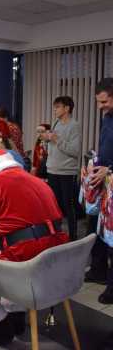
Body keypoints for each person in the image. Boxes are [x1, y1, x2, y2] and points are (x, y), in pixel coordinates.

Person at [0, 149, 69, 346]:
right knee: (9, 250)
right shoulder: (38, 182)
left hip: (23, 262)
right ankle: (16, 316)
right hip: (56, 260)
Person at [84, 78, 113, 304]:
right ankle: (99, 270)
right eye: (98, 101)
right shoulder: (107, 118)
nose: (100, 106)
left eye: (104, 101)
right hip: (104, 184)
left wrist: (109, 168)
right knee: (100, 231)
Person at [41, 96, 81, 241]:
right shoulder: (56, 123)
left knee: (68, 205)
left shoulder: (74, 125)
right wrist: (46, 140)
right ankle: (56, 234)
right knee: (54, 204)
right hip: (52, 169)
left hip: (66, 171)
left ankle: (73, 236)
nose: (55, 110)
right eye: (55, 107)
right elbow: (53, 145)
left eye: (58, 107)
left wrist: (56, 139)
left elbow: (74, 150)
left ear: (67, 108)